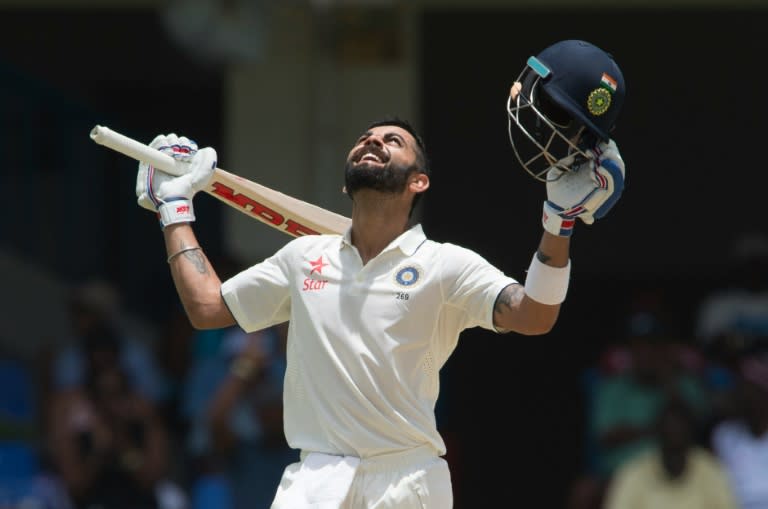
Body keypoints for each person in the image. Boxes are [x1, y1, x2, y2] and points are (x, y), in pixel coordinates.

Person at [132, 39, 626, 508]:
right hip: (313, 482)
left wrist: (557, 225)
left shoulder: (445, 265)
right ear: (347, 185)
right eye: (366, 138)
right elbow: (207, 308)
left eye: (393, 141)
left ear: (419, 181)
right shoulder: (303, 256)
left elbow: (535, 316)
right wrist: (174, 210)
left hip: (406, 481)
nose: (373, 142)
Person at [603, 396, 738, 509]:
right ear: (658, 436)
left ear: (691, 438)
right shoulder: (632, 473)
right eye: (670, 450)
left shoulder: (712, 471)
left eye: (678, 451)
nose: (674, 457)